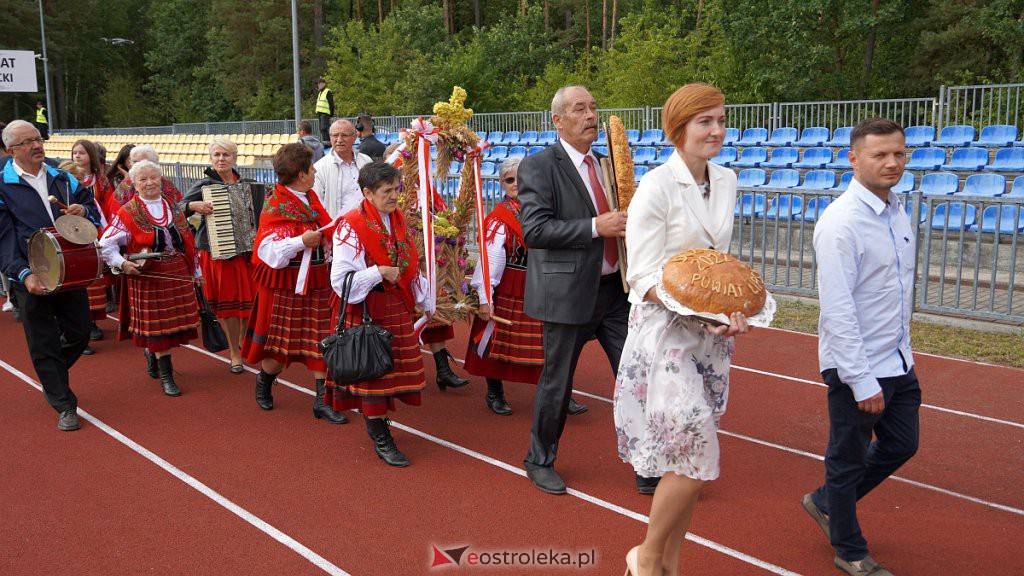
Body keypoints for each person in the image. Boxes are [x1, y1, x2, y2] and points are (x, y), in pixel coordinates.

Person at [614, 84, 750, 576]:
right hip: (664, 333)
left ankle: (670, 562)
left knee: (685, 457)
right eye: (704, 122)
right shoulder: (656, 186)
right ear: (679, 129)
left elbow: (717, 263)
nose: (716, 130)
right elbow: (642, 275)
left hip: (709, 339)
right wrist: (696, 308)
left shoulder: (729, 179)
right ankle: (646, 557)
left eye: (720, 120)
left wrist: (731, 311)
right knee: (695, 447)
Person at [802, 118, 919, 576]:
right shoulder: (840, 224)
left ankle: (827, 501)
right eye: (880, 155)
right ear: (854, 160)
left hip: (898, 359)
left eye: (899, 154)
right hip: (858, 365)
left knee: (902, 444)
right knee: (847, 457)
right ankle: (850, 550)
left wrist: (904, 352)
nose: (892, 163)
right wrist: (860, 377)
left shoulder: (898, 212)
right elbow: (837, 309)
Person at [517, 85, 629, 495]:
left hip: (615, 292)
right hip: (567, 295)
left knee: (638, 378)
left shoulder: (607, 164)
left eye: (594, 107)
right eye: (580, 109)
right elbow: (535, 230)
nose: (590, 115)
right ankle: (539, 459)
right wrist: (595, 227)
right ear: (558, 120)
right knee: (557, 384)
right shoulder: (539, 166)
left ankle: (648, 462)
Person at [465, 157, 587, 416]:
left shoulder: (546, 210)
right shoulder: (499, 219)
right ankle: (494, 392)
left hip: (543, 286)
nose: (516, 184)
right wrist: (486, 297)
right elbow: (492, 261)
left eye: (521, 178)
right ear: (501, 184)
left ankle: (560, 395)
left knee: (551, 345)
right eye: (509, 180)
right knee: (497, 343)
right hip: (511, 286)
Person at [0, 120, 101, 431]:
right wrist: (24, 273)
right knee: (43, 343)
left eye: (38, 138)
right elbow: (2, 239)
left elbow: (93, 211)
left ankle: (50, 371)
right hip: (31, 275)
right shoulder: (2, 185)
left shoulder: (62, 177)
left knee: (80, 332)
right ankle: (64, 404)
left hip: (69, 269)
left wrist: (85, 213)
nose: (37, 145)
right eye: (27, 142)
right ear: (10, 150)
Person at [329, 161, 431, 467]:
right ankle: (379, 434)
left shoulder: (398, 219)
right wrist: (377, 272)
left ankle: (380, 423)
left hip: (395, 304)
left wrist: (427, 301)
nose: (394, 196)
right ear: (367, 193)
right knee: (374, 374)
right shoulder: (350, 224)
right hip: (368, 308)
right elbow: (340, 280)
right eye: (387, 191)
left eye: (396, 189)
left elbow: (408, 266)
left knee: (389, 372)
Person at [241, 143, 347, 425]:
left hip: (317, 281)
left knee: (322, 340)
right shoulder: (277, 204)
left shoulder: (310, 197)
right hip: (285, 285)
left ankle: (322, 402)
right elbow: (266, 251)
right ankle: (265, 380)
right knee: (279, 346)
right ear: (301, 174)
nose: (314, 173)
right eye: (311, 169)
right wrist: (301, 241)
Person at [99, 160, 202, 397]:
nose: (149, 183)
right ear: (134, 184)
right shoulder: (128, 211)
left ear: (161, 180)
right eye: (142, 179)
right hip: (148, 275)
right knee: (159, 330)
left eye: (153, 177)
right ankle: (167, 375)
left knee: (173, 327)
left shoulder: (173, 207)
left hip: (176, 270)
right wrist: (122, 263)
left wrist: (196, 272)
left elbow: (187, 241)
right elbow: (105, 244)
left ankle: (152, 353)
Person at [182, 138, 265, 373]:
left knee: (249, 302)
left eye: (226, 155)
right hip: (218, 251)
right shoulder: (205, 184)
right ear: (211, 158)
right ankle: (234, 352)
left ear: (234, 158)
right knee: (228, 305)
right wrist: (193, 207)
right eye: (216, 155)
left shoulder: (248, 185)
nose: (221, 159)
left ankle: (243, 341)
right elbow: (177, 207)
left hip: (247, 252)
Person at [71, 139, 118, 344]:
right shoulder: (67, 178)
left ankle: (92, 321)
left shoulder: (101, 181)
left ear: (91, 155)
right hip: (73, 233)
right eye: (74, 153)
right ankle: (81, 322)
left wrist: (109, 232)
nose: (77, 156)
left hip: (96, 231)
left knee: (95, 277)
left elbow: (109, 206)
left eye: (81, 152)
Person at [312, 119, 373, 218]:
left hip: (368, 223)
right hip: (338, 227)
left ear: (354, 137)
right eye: (335, 135)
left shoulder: (366, 161)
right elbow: (316, 203)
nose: (339, 140)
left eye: (344, 135)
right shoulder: (319, 168)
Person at [112, 145, 183, 206]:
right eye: (134, 162)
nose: (136, 166)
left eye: (141, 163)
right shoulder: (125, 185)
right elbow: (115, 212)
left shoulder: (165, 183)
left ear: (153, 163)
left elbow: (179, 206)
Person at [314, 78, 334, 144]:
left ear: (323, 84)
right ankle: (326, 141)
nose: (318, 85)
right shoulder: (320, 93)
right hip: (320, 113)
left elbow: (331, 103)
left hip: (325, 113)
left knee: (324, 128)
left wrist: (331, 113)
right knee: (321, 128)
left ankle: (329, 142)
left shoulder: (327, 91)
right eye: (317, 84)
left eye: (319, 83)